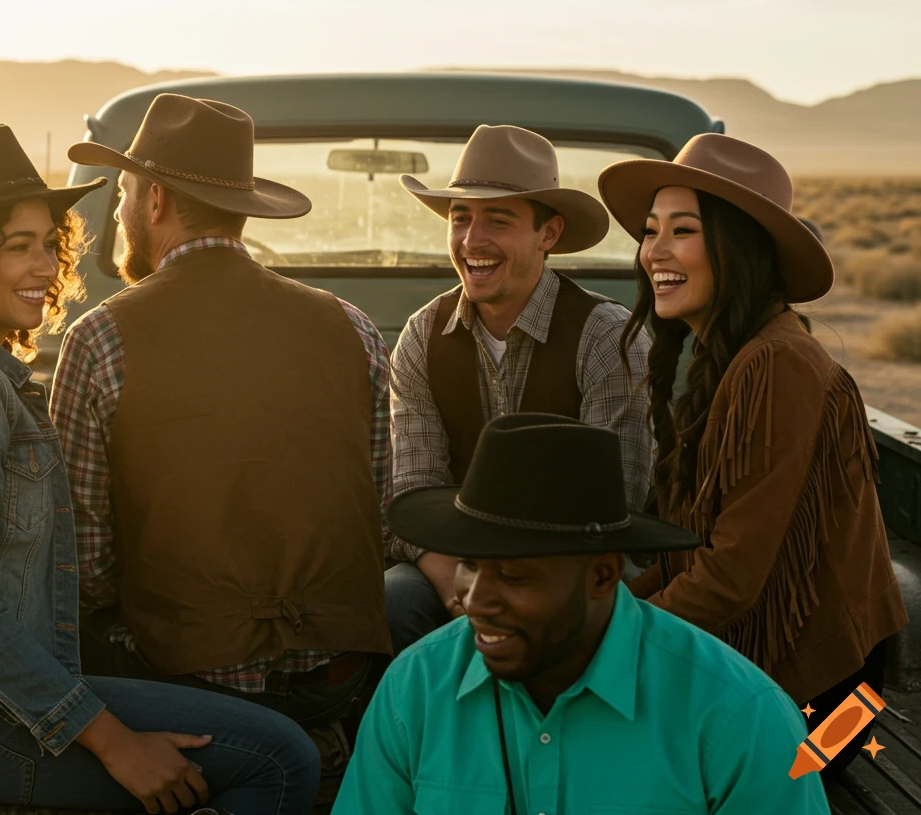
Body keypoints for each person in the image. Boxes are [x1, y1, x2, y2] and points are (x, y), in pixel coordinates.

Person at [0, 125, 320, 815]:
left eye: (49, 243)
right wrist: (112, 741)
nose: (46, 266)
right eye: (18, 247)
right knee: (281, 759)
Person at [52, 93, 394, 729]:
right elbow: (380, 507)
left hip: (186, 680)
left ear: (155, 199)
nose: (122, 210)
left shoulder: (100, 337)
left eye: (125, 191)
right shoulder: (352, 327)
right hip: (341, 677)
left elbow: (83, 559)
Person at [598, 133, 910, 779]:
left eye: (681, 230)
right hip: (797, 674)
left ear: (737, 249)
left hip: (829, 709)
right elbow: (691, 549)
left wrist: (603, 640)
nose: (653, 250)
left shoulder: (776, 364)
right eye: (650, 230)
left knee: (611, 761)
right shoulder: (733, 355)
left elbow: (731, 576)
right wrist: (614, 610)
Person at [334, 413, 832, 814]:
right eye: (469, 563)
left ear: (602, 575)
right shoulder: (414, 688)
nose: (473, 599)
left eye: (514, 575)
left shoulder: (739, 717)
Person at [385, 124, 653, 654]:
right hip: (454, 561)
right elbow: (412, 491)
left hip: (572, 565)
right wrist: (454, 582)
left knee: (610, 606)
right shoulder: (422, 334)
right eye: (460, 219)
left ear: (548, 235)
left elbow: (616, 503)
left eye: (498, 220)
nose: (471, 241)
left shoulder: (606, 337)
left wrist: (512, 584)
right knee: (393, 602)